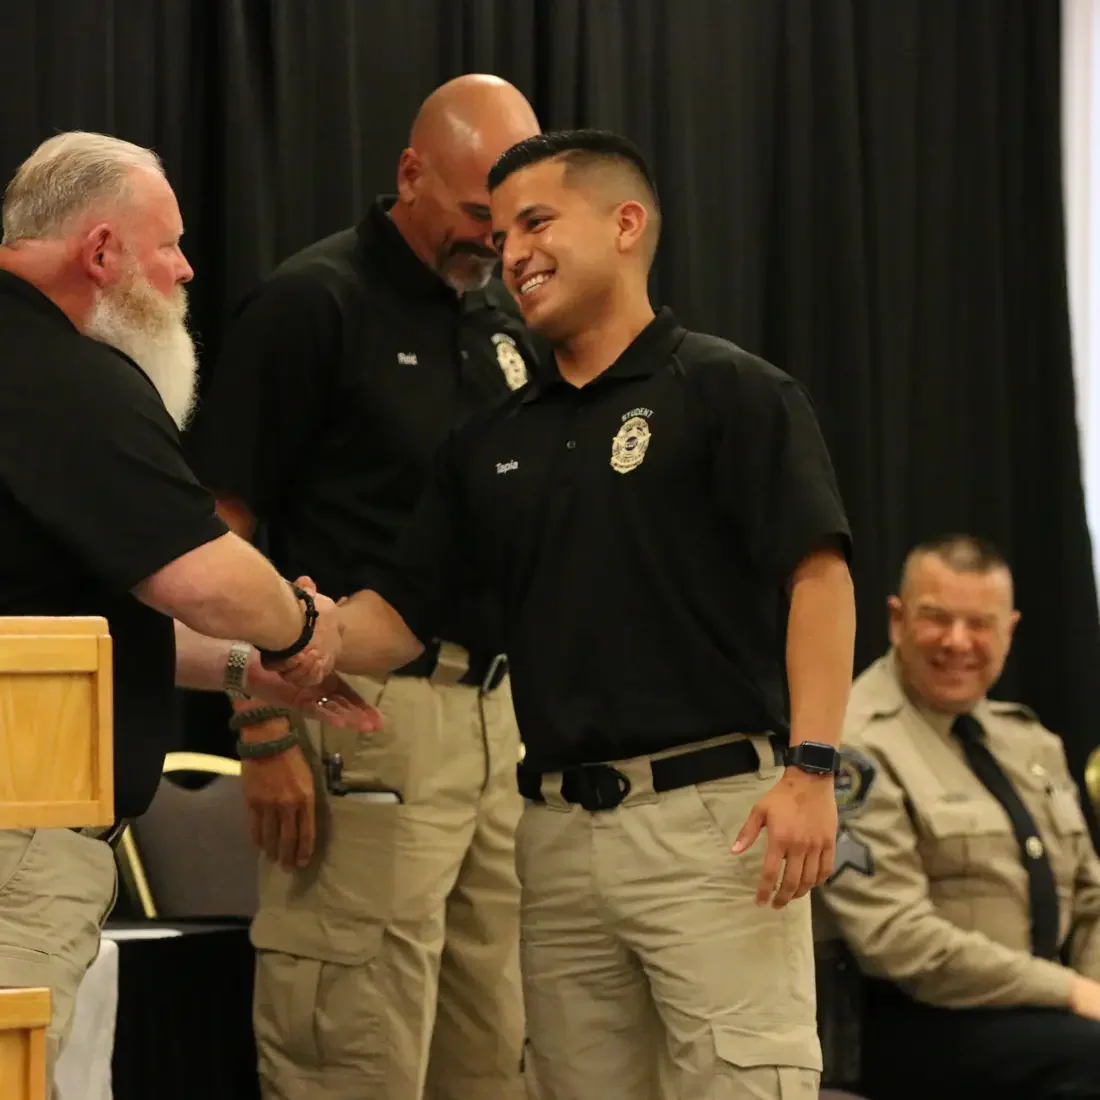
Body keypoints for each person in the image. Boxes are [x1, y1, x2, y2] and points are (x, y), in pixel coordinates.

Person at [334, 128, 856, 1100]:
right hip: (553, 836)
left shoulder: (731, 390)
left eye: (536, 221)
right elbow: (395, 619)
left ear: (625, 224)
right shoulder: (488, 439)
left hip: (715, 824)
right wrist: (288, 635)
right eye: (495, 239)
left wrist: (811, 770)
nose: (512, 254)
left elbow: (818, 579)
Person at [184, 75, 541, 1100]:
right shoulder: (312, 302)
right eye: (479, 214)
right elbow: (221, 536)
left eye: (516, 219)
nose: (497, 242)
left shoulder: (501, 329)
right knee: (353, 1047)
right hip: (354, 716)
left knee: (490, 1046)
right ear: (409, 174)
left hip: (491, 724)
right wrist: (257, 730)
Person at [0, 130, 372, 1093]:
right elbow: (197, 574)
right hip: (17, 833)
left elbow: (68, 625)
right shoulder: (63, 375)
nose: (187, 268)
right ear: (100, 253)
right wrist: (297, 626)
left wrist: (250, 669)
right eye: (167, 245)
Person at [821, 535, 1100, 1100]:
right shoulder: (850, 747)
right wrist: (1071, 991)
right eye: (936, 619)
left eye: (980, 624)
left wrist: (1093, 989)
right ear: (897, 621)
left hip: (1037, 1012)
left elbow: (1093, 898)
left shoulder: (1030, 742)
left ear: (1009, 631)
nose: (957, 642)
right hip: (911, 1021)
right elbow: (898, 939)